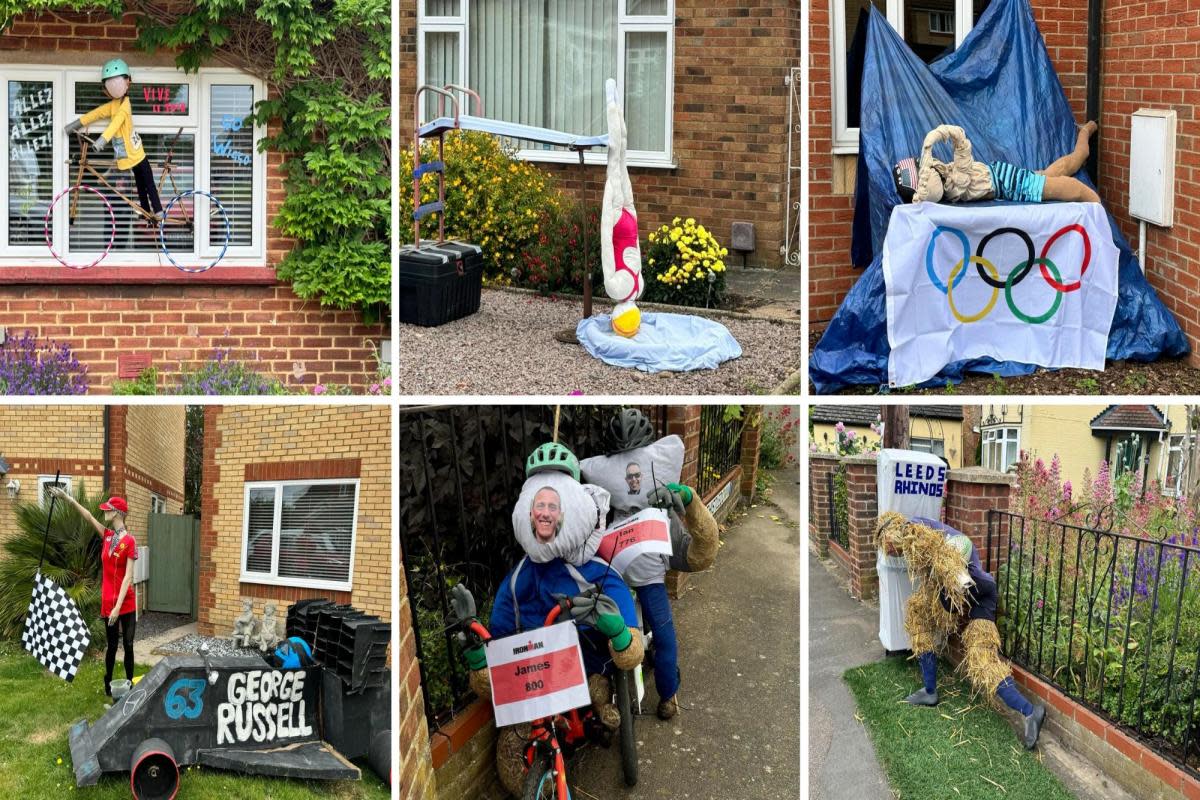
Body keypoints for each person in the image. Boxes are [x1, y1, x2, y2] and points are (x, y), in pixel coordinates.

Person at [460, 442, 643, 796]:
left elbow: (632, 646)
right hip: (537, 677)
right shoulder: (516, 581)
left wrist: (619, 632)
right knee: (511, 753)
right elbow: (498, 650)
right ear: (528, 512)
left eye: (553, 506)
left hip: (585, 667)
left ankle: (601, 701)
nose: (544, 513)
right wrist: (480, 658)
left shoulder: (595, 574)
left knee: (596, 691)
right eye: (538, 505)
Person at [580, 408, 720, 721]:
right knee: (658, 631)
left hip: (630, 577)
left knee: (649, 631)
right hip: (624, 577)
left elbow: (699, 549)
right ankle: (665, 695)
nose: (631, 480)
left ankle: (668, 694)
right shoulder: (610, 512)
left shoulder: (658, 512)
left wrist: (686, 498)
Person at [876, 512, 1046, 749]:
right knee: (917, 614)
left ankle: (1030, 712)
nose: (889, 553)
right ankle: (929, 690)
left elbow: (963, 544)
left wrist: (951, 583)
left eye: (887, 547)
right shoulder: (914, 537)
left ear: (890, 534)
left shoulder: (913, 531)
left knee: (982, 660)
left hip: (981, 594)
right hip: (958, 593)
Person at [50, 488, 138, 698]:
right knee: (111, 646)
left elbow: (128, 577)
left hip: (126, 603)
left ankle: (130, 685)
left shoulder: (130, 541)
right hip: (109, 602)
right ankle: (109, 686)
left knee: (128, 644)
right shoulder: (107, 536)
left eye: (108, 510)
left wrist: (118, 607)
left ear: (117, 513)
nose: (104, 513)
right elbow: (88, 516)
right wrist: (66, 498)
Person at [894, 121, 1100, 205]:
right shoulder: (956, 184)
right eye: (927, 167)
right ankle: (1101, 221)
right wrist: (940, 133)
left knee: (1066, 166)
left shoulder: (949, 177)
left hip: (1004, 174)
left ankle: (1086, 129)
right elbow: (963, 147)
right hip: (1012, 184)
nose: (931, 164)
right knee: (1074, 187)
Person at [64, 59, 163, 222]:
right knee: (142, 183)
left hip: (135, 154)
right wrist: (76, 124)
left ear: (127, 83)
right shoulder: (114, 104)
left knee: (146, 183)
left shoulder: (125, 105)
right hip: (129, 154)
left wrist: (102, 140)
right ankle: (147, 211)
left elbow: (116, 124)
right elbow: (96, 113)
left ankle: (156, 211)